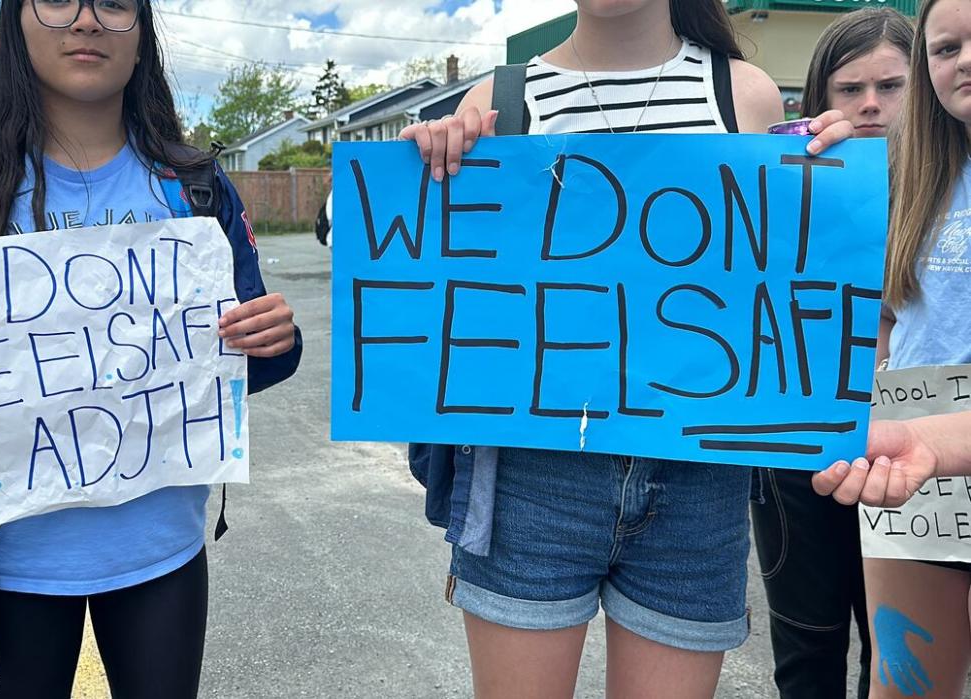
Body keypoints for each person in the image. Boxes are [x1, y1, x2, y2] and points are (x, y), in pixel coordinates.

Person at [0, 1, 302, 697]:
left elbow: (237, 353)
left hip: (159, 553)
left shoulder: (195, 187)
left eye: (114, 3)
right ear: (14, 22)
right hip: (7, 566)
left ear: (142, 34)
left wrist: (274, 341)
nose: (87, 22)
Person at [400, 1, 855, 697]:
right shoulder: (498, 99)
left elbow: (788, 272)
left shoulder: (745, 93)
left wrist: (835, 183)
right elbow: (460, 279)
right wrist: (432, 167)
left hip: (699, 479)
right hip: (533, 474)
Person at [750, 9, 912, 699]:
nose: (870, 103)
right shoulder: (788, 175)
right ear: (820, 97)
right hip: (799, 447)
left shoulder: (955, 188)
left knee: (900, 654)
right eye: (850, 89)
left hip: (915, 446)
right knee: (806, 651)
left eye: (891, 85)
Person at [811, 0, 971, 695]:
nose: (963, 59)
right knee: (905, 684)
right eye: (945, 47)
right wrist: (807, 155)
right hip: (908, 455)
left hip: (926, 441)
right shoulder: (906, 174)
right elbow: (879, 305)